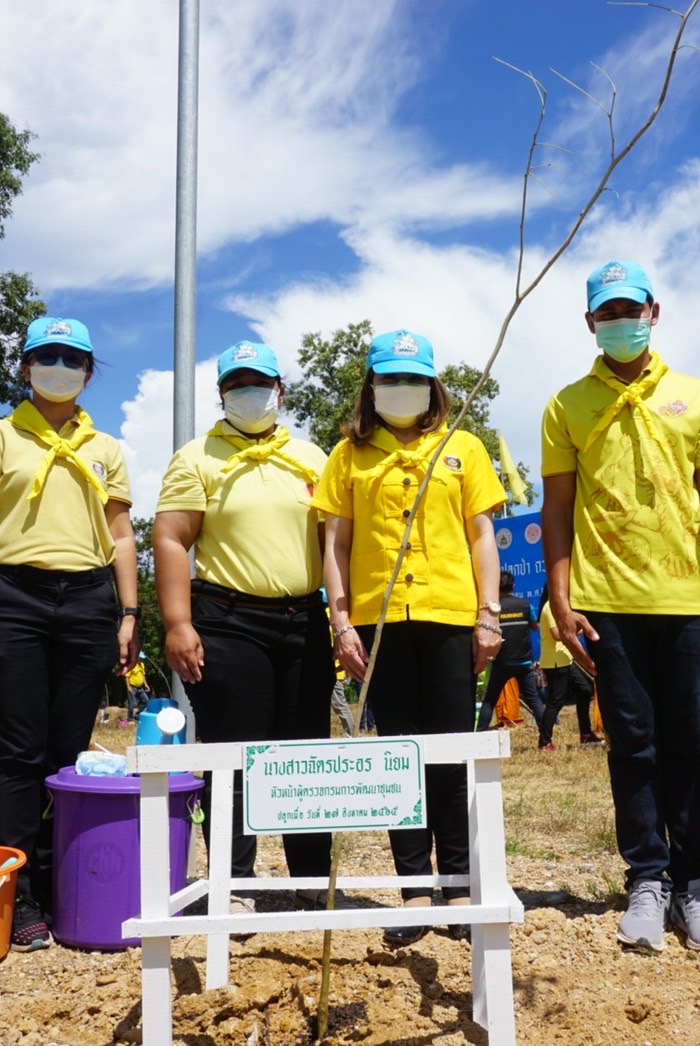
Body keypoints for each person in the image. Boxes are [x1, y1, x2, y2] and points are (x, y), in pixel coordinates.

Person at [541, 261, 700, 953]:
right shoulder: (567, 404)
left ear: (655, 311)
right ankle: (647, 880)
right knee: (632, 743)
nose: (620, 321)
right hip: (606, 604)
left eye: (631, 309)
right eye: (607, 311)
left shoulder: (697, 396)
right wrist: (561, 599)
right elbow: (558, 507)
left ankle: (695, 884)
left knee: (687, 744)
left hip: (685, 599)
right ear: (589, 321)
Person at [0, 315, 139, 952]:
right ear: (25, 366)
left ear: (88, 373)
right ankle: (20, 891)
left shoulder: (106, 447)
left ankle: (63, 885)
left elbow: (120, 535)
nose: (60, 367)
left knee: (69, 752)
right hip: (15, 597)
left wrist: (128, 612)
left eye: (73, 359)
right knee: (20, 751)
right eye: (47, 356)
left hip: (89, 599)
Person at [316, 328, 505, 945]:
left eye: (413, 379)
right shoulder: (347, 455)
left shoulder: (465, 448)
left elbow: (482, 536)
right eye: (390, 379)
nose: (402, 390)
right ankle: (414, 893)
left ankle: (457, 885)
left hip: (451, 618)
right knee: (399, 760)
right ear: (371, 387)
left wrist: (488, 613)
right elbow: (335, 546)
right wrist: (340, 622)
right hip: (378, 625)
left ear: (433, 386)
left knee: (450, 756)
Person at [154, 339, 337, 916]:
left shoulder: (314, 458)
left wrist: (344, 616)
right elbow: (172, 537)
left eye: (259, 383)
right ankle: (232, 881)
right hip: (228, 621)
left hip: (305, 619)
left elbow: (337, 541)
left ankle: (311, 880)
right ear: (222, 394)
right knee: (234, 752)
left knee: (306, 752)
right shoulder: (197, 456)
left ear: (280, 391)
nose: (249, 393)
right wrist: (177, 622)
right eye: (236, 384)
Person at [476, 570, 543, 733]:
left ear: (496, 587)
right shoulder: (525, 604)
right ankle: (547, 738)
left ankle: (480, 734)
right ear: (513, 586)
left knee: (489, 701)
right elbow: (535, 627)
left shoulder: (493, 609)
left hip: (501, 662)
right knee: (534, 700)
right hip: (524, 662)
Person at [536, 598, 598, 749]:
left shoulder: (558, 605)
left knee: (585, 690)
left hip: (566, 659)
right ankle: (544, 742)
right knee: (555, 702)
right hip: (555, 661)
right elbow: (557, 634)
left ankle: (586, 734)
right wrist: (581, 629)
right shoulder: (551, 606)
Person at [123, 652, 152, 721]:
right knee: (132, 703)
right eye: (141, 658)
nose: (142, 660)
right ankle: (130, 719)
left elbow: (143, 675)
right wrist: (128, 687)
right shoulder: (132, 665)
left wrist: (146, 684)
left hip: (140, 688)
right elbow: (127, 677)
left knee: (146, 701)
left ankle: (137, 714)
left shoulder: (141, 664)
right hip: (132, 687)